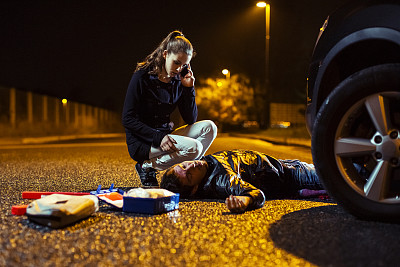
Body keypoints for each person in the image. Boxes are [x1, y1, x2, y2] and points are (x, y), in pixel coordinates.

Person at [122, 30, 217, 187]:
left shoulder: (178, 81)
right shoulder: (142, 76)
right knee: (195, 147)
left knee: (210, 127)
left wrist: (188, 88)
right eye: (176, 62)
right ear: (165, 54)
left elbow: (190, 119)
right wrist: (158, 137)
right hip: (143, 142)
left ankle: (187, 176)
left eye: (184, 65)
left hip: (166, 137)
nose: (179, 69)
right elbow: (128, 119)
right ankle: (146, 166)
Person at [160, 149, 326, 213]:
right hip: (291, 175)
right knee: (341, 172)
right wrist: (245, 200)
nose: (190, 166)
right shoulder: (222, 180)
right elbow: (256, 195)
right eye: (189, 175)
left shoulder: (204, 165)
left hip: (285, 165)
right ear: (195, 189)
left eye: (183, 165)